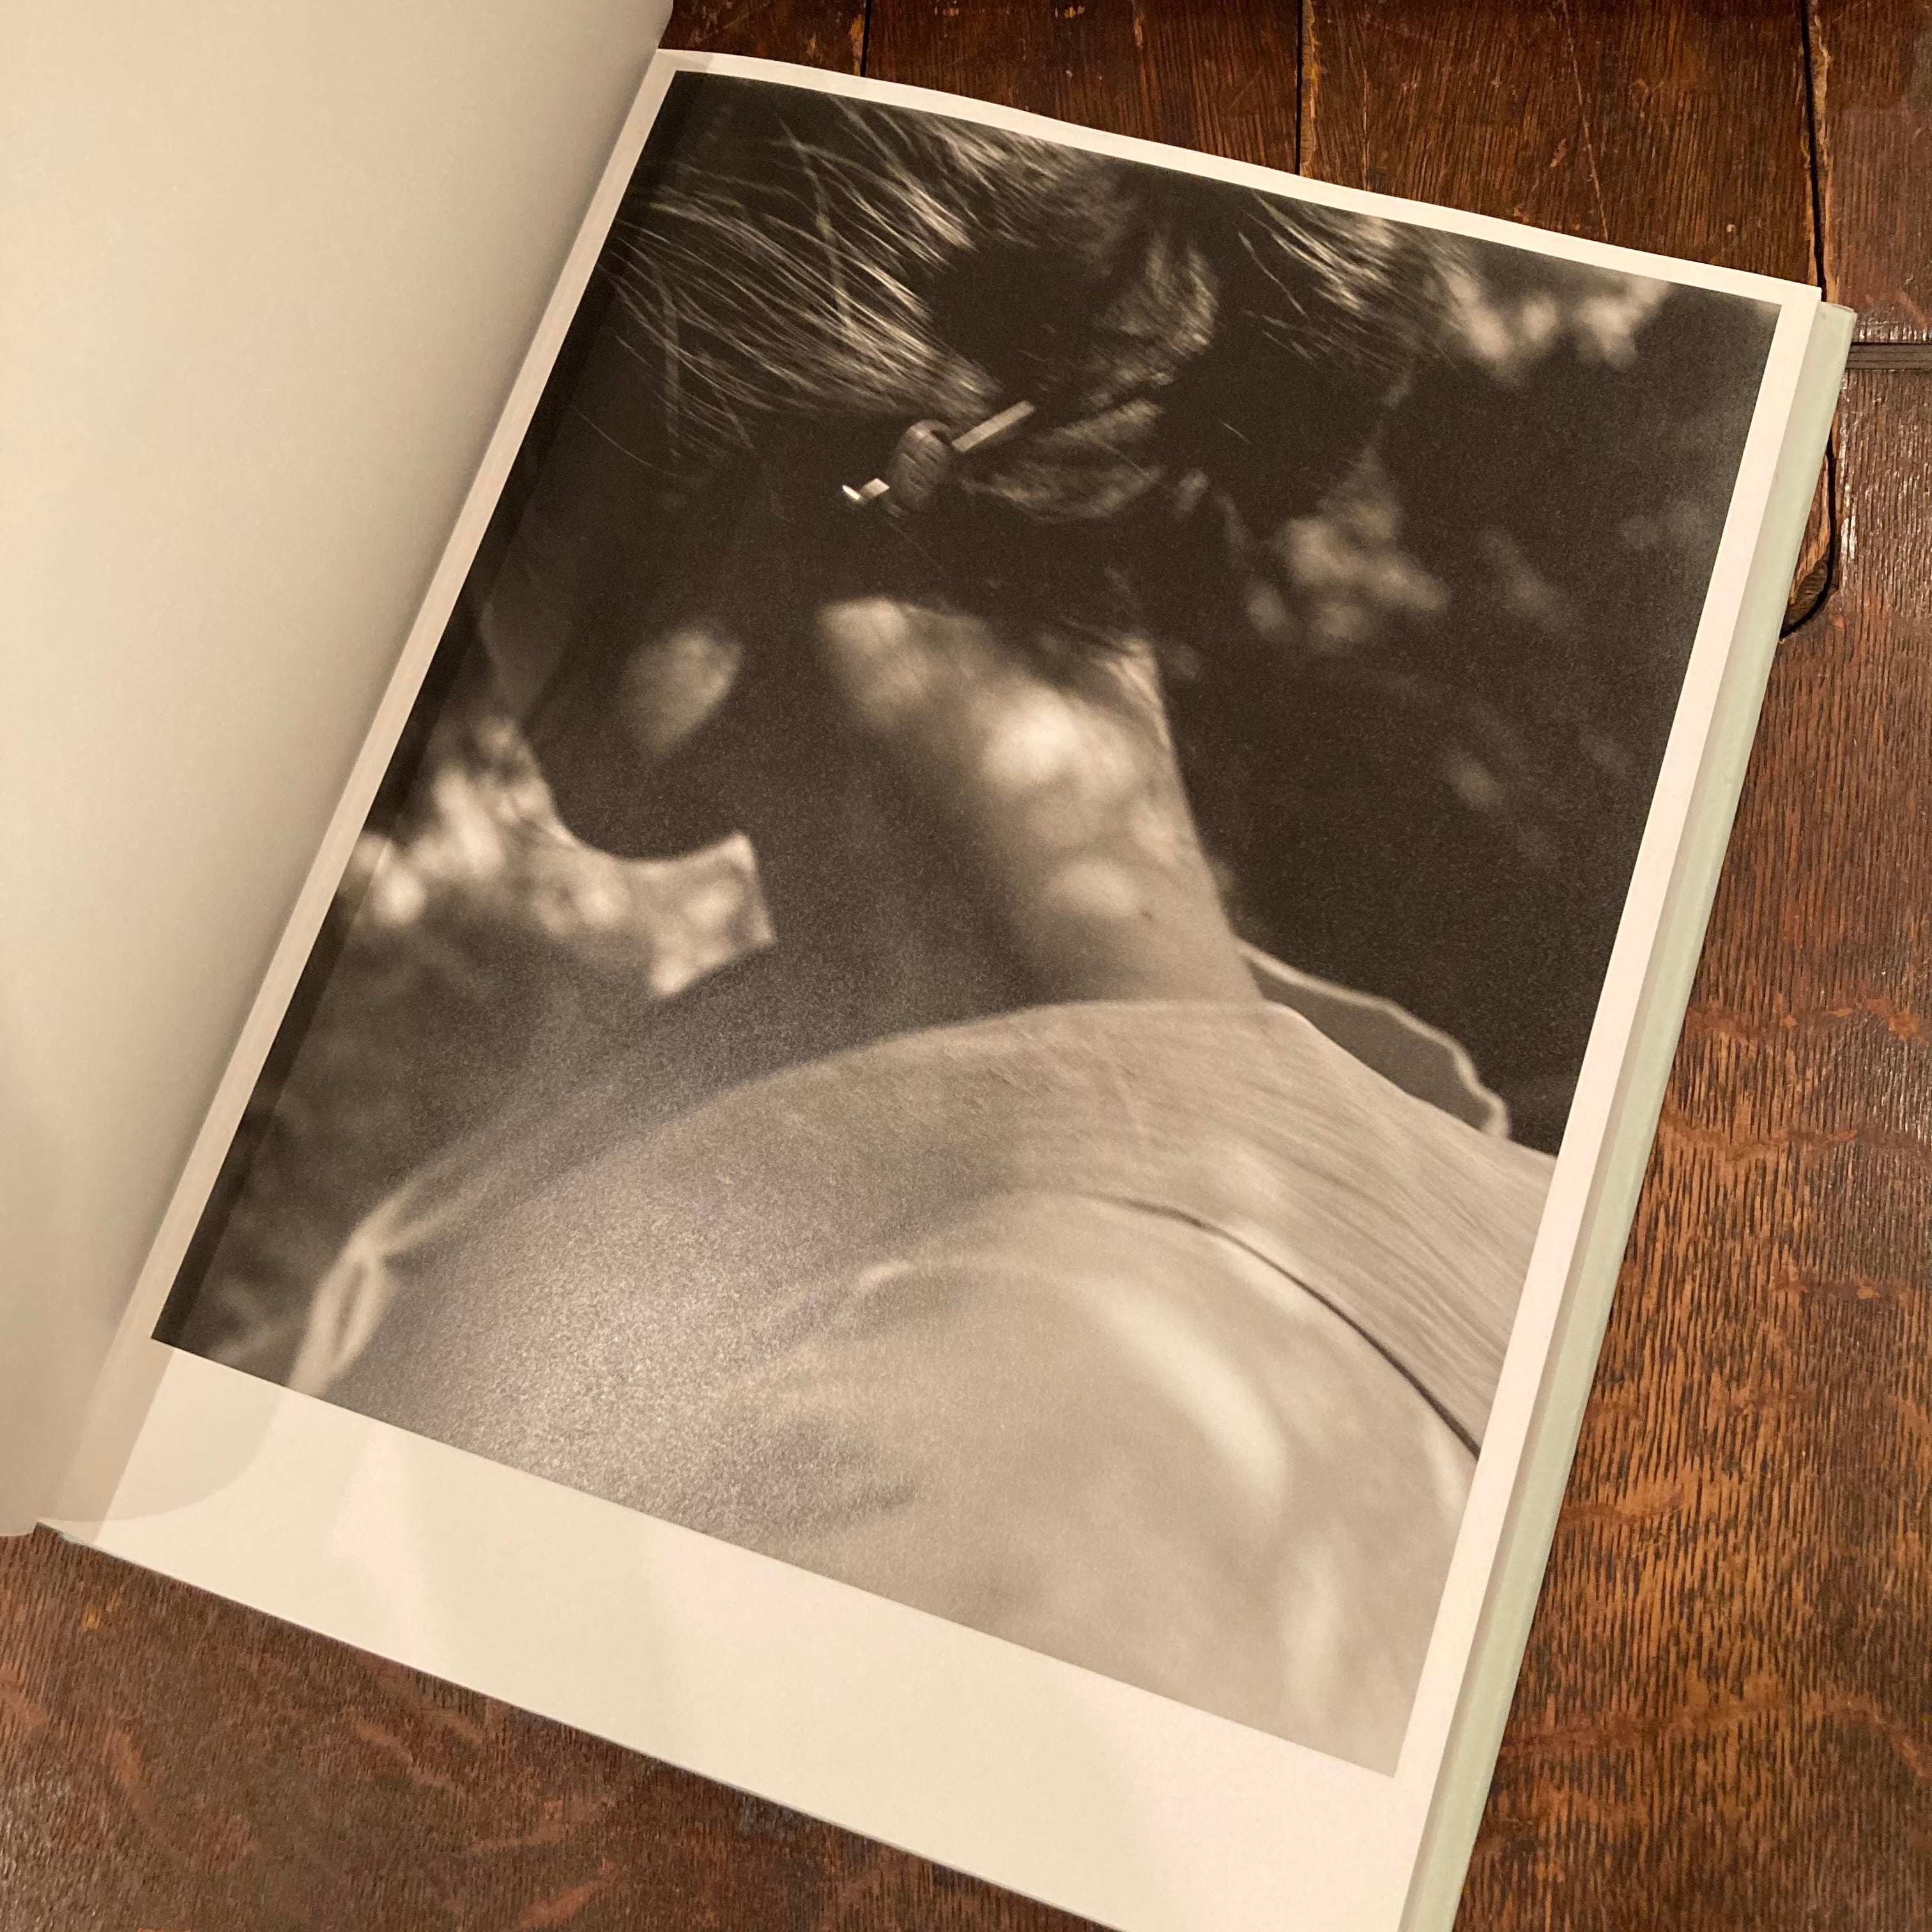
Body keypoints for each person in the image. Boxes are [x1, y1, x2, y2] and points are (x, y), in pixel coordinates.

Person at [316, 75, 1553, 1772]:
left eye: (495, 436)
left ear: (810, 469)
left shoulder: (948, 1442)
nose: (453, 565)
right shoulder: (1526, 1242)